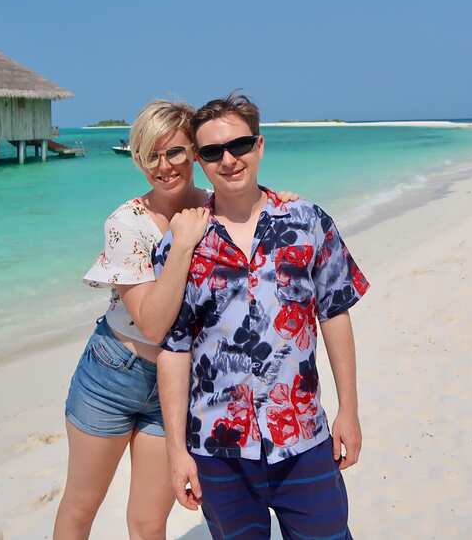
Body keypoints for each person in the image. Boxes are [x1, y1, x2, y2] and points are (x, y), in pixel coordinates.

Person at [54, 100, 303, 540]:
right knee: (81, 507)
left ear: (194, 154)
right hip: (112, 375)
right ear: (137, 159)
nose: (164, 166)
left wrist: (285, 202)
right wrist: (182, 243)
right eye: (152, 155)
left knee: (149, 521)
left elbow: (256, 204)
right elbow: (152, 324)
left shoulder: (214, 206)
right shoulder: (126, 224)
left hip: (177, 385)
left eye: (175, 153)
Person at [155, 93, 370, 540]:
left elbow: (334, 316)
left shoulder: (307, 221)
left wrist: (348, 410)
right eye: (213, 152)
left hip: (304, 437)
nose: (229, 160)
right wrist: (176, 451)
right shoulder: (183, 244)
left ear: (260, 146)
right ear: (199, 159)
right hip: (218, 447)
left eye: (240, 145)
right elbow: (173, 349)